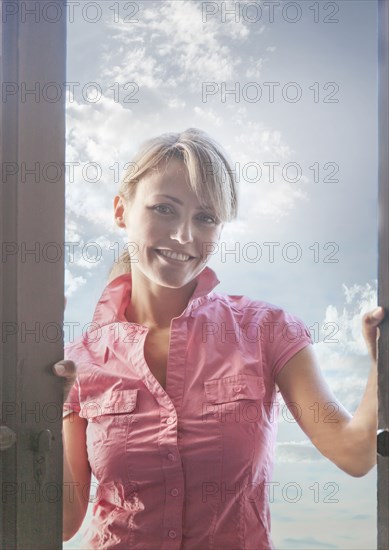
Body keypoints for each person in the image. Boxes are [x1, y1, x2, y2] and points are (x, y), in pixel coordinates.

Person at [54, 128, 385, 550]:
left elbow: (354, 453)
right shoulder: (77, 361)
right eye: (164, 209)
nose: (183, 236)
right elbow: (64, 521)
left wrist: (381, 366)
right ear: (121, 211)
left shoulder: (268, 330)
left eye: (205, 218)